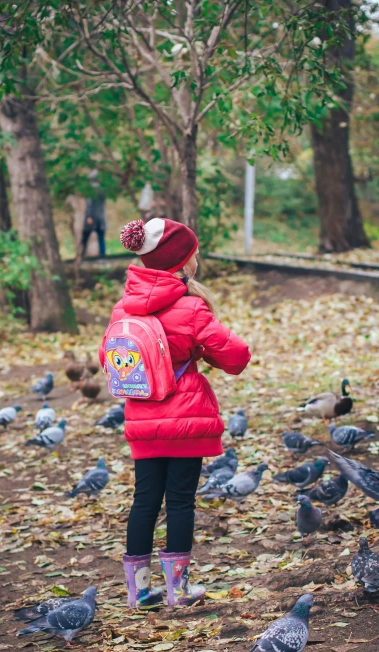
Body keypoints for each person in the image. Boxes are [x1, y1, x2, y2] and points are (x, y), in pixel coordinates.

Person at [99, 218, 251, 608]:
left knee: (145, 500)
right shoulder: (191, 307)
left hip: (142, 419)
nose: (196, 259)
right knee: (181, 502)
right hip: (187, 421)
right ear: (182, 262)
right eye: (193, 254)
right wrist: (200, 353)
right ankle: (177, 592)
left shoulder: (123, 309)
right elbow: (236, 357)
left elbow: (108, 358)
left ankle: (138, 592)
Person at [80, 172, 106, 258]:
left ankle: (81, 254)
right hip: (101, 217)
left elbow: (89, 205)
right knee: (101, 237)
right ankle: (102, 254)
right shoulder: (102, 190)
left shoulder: (91, 191)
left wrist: (89, 216)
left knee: (85, 237)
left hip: (93, 218)